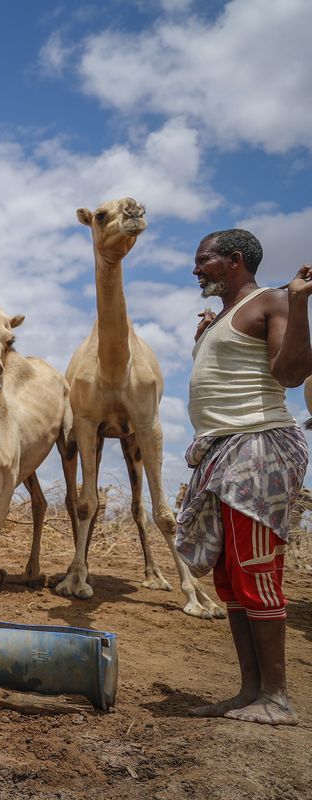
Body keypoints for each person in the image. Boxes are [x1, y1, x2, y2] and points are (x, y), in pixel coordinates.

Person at [177, 229, 312, 726]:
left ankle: (276, 698)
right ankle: (250, 690)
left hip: (259, 448)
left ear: (234, 260)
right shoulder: (226, 316)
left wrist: (297, 306)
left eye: (203, 260)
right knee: (230, 578)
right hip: (224, 452)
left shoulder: (272, 300)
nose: (196, 270)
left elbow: (292, 372)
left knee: (256, 569)